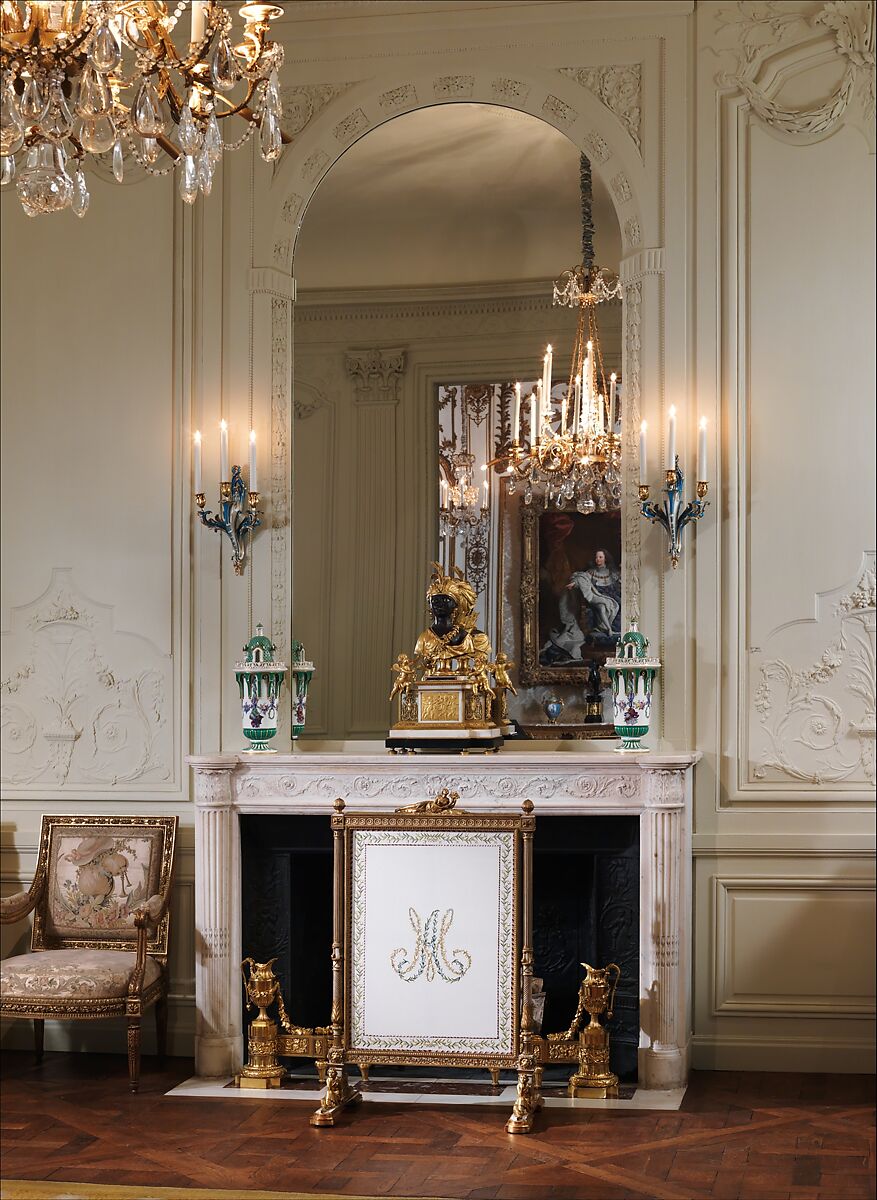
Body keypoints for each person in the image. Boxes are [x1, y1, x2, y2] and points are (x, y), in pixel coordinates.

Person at [567, 549, 621, 639]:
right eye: (596, 557)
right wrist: (574, 583)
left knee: (617, 605)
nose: (598, 559)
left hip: (610, 596)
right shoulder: (591, 572)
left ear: (605, 559)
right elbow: (581, 578)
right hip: (596, 596)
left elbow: (619, 581)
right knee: (602, 607)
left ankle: (608, 629)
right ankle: (608, 629)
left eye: (600, 557)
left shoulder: (612, 572)